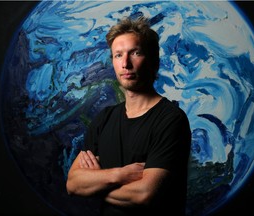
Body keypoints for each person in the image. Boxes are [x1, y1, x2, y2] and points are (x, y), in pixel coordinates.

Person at [66, 16, 191, 216]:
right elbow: (73, 184)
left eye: (135, 53)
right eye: (118, 55)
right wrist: (120, 175)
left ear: (154, 61)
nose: (125, 63)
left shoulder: (171, 120)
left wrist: (96, 183)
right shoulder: (104, 119)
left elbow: (144, 195)